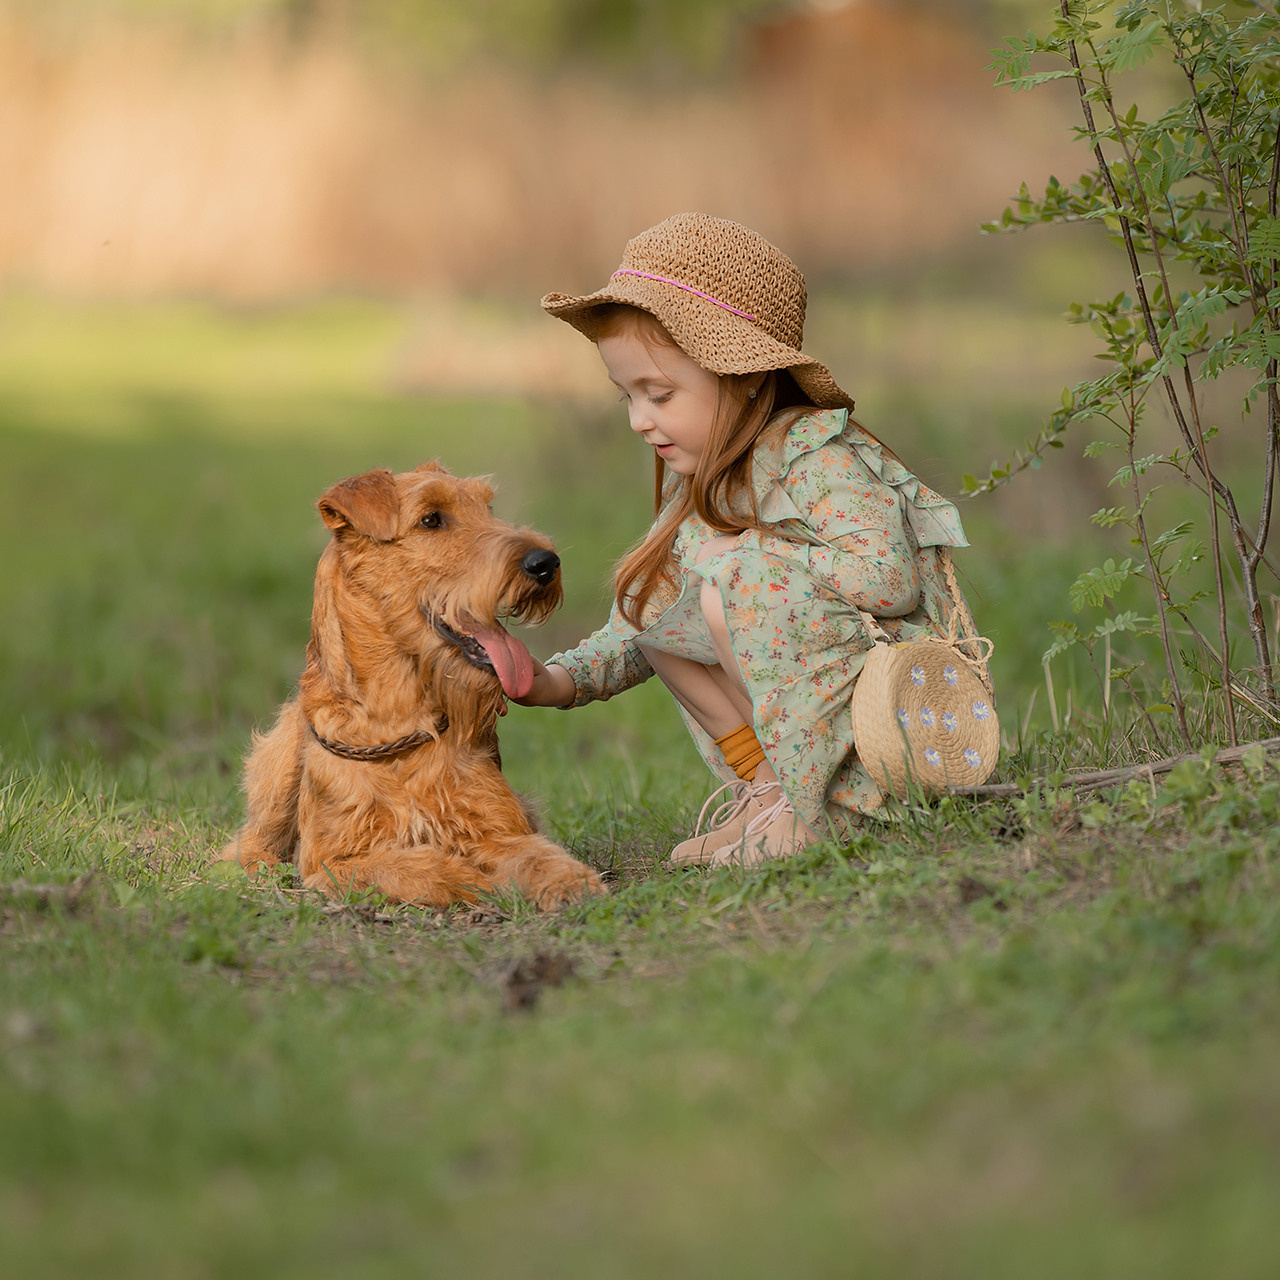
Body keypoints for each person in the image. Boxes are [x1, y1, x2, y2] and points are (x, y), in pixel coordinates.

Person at [513, 212, 974, 867]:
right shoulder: (702, 480)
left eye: (659, 394)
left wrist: (752, 558)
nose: (640, 420)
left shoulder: (817, 457)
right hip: (811, 699)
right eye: (627, 398)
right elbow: (646, 622)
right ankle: (770, 790)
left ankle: (822, 810)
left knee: (730, 582)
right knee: (653, 600)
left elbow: (890, 583)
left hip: (888, 716)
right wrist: (560, 681)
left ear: (745, 374)